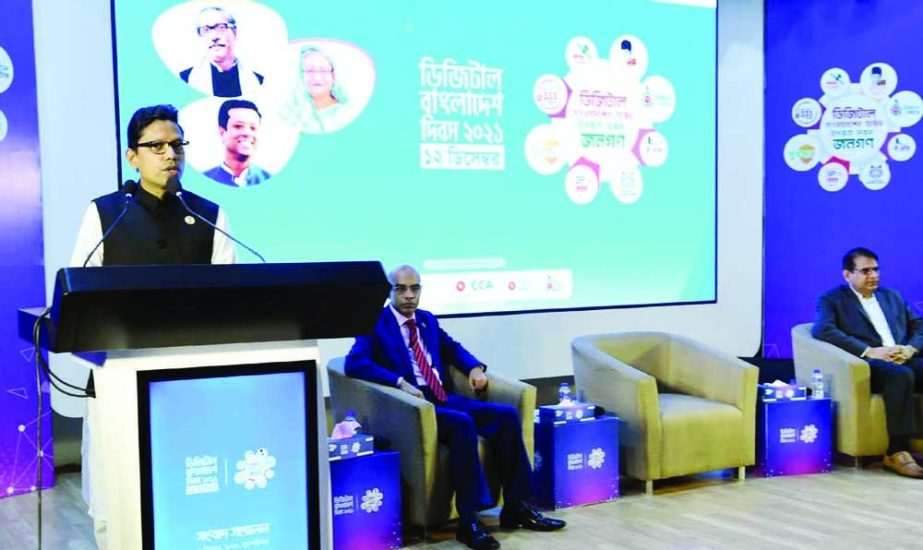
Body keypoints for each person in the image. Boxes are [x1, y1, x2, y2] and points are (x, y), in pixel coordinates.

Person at [69, 104, 236, 549]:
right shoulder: (106, 214)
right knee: (113, 496)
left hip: (193, 385)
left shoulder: (209, 215)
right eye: (157, 146)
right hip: (116, 381)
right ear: (132, 157)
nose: (170, 154)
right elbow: (78, 300)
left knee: (191, 486)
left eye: (177, 145)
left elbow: (232, 303)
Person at [345, 265, 566, 550]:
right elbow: (355, 363)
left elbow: (452, 348)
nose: (409, 296)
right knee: (461, 423)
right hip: (414, 405)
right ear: (389, 292)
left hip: (444, 398)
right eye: (401, 289)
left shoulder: (426, 320)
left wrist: (474, 367)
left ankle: (516, 507)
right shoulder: (375, 323)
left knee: (505, 416)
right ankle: (469, 520)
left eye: (415, 288)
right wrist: (399, 382)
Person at [813, 247, 923, 478]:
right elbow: (823, 329)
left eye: (876, 269)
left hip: (901, 356)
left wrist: (910, 349)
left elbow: (918, 325)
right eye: (865, 271)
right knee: (901, 376)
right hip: (869, 364)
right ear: (847, 275)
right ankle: (897, 452)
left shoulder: (891, 295)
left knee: (912, 369)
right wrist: (870, 351)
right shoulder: (832, 299)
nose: (873, 275)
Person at [179, 6, 264, 98]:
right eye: (206, 30)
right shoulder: (185, 80)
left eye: (221, 28)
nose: (214, 37)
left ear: (234, 32)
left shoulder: (258, 82)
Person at [203, 99, 272, 187]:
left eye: (253, 128)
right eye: (238, 126)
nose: (247, 133)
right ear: (222, 133)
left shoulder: (270, 180)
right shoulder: (205, 180)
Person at [283, 45, 350, 133]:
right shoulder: (290, 112)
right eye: (310, 70)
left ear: (333, 76)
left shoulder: (344, 114)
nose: (317, 77)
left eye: (323, 70)